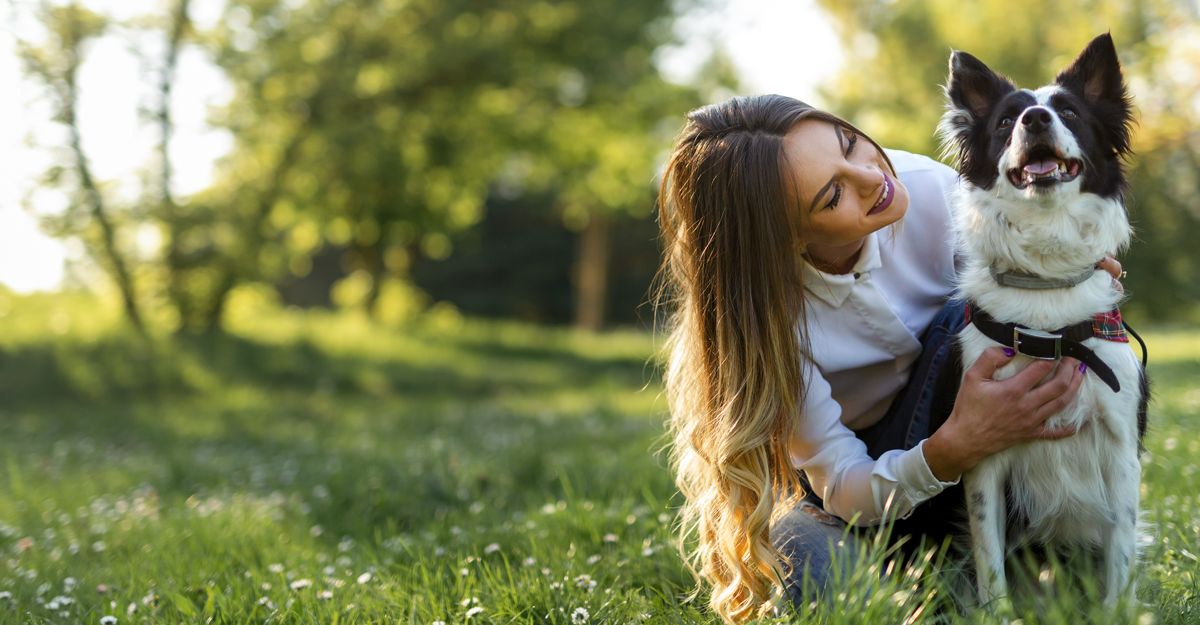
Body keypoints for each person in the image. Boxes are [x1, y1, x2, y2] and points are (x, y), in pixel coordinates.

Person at [657, 94, 1124, 623]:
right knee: (813, 570)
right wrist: (954, 445)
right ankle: (929, 580)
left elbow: (1041, 302)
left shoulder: (932, 190)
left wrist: (1069, 271)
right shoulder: (767, 322)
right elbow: (843, 482)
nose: (870, 178)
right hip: (858, 496)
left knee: (973, 318)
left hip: (984, 474)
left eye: (850, 144)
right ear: (785, 240)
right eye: (833, 195)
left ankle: (1008, 563)